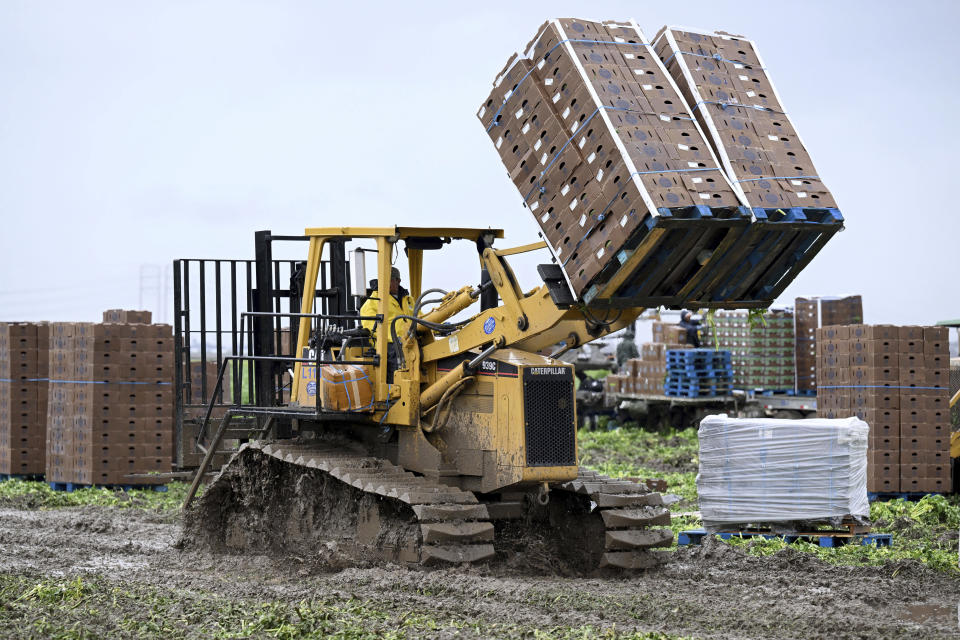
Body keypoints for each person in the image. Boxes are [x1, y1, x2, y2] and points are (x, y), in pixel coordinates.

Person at [359, 267, 414, 382]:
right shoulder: (374, 301)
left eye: (389, 280)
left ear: (398, 281)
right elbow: (370, 326)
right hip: (386, 344)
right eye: (383, 280)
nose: (386, 283)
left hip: (408, 339)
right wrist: (395, 337)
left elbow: (420, 317)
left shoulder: (408, 300)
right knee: (397, 352)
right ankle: (396, 387)